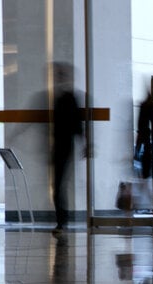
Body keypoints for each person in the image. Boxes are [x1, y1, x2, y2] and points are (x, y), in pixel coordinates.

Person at [51, 62, 84, 232]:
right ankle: (62, 220)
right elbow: (77, 125)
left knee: (58, 185)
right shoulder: (64, 97)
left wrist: (84, 143)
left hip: (63, 147)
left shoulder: (66, 98)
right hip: (62, 146)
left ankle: (62, 221)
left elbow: (76, 125)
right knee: (59, 185)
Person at [134, 93, 153, 179]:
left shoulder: (145, 107)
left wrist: (137, 147)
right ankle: (146, 176)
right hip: (147, 138)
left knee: (145, 154)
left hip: (145, 137)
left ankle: (145, 176)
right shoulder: (152, 108)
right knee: (147, 154)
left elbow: (141, 128)